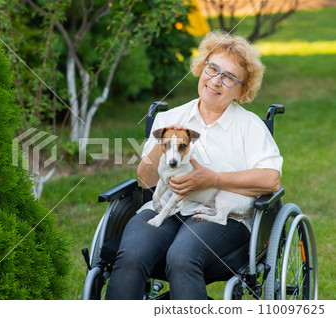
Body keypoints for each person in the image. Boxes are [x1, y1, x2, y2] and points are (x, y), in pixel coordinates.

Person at [105, 31, 283, 300]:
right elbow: (145, 180)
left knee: (182, 256)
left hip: (222, 216)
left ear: (241, 89)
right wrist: (161, 142)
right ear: (202, 67)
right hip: (167, 207)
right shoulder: (171, 118)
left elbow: (271, 180)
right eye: (212, 68)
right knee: (132, 254)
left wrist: (213, 179)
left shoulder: (250, 127)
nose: (216, 81)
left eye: (229, 77)